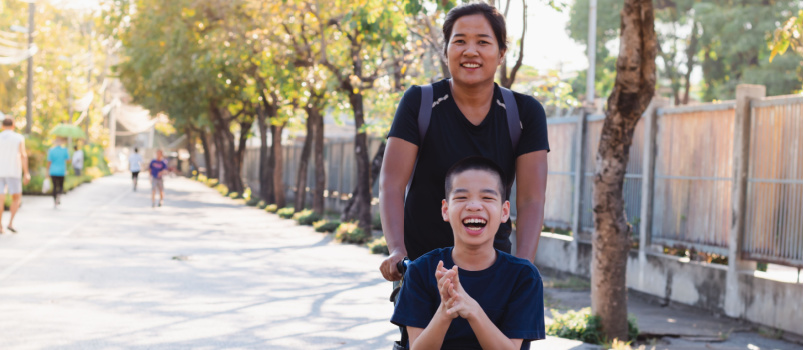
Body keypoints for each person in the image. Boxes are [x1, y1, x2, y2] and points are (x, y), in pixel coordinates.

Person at [379, 2, 549, 282]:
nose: (470, 51)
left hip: (495, 274)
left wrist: (523, 268)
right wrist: (397, 250)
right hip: (423, 272)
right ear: (446, 52)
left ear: (501, 53)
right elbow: (391, 185)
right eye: (459, 41)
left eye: (483, 41)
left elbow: (532, 198)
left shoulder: (525, 113)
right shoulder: (419, 103)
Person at [391, 156, 545, 349]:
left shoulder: (524, 277)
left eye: (487, 197)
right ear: (446, 210)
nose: (474, 206)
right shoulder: (421, 271)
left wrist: (472, 310)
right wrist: (445, 310)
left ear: (504, 211)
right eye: (462, 197)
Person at [0, 116, 31, 233]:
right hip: (13, 172)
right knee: (16, 198)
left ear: (2, 126)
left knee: (0, 199)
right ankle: (10, 223)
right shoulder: (18, 138)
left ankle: (0, 225)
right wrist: (26, 173)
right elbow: (23, 155)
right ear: (13, 126)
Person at [47, 137, 70, 207]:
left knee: (54, 186)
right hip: (61, 171)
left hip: (53, 171)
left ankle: (55, 200)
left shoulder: (51, 150)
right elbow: (68, 160)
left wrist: (47, 170)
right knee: (60, 186)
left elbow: (49, 162)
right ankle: (58, 195)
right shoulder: (64, 150)